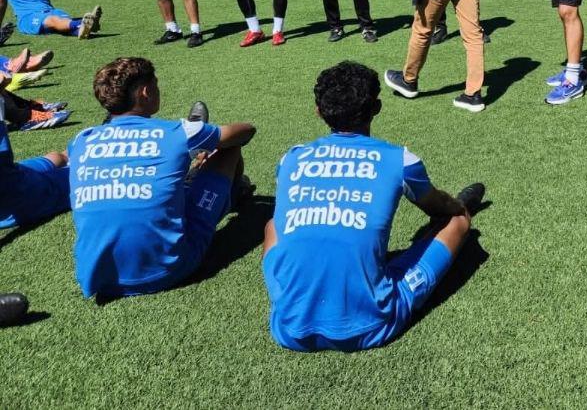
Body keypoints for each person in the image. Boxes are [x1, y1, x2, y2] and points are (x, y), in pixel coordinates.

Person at [263, 61, 481, 352]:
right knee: (458, 221)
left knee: (272, 226)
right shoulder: (400, 160)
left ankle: (296, 292)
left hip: (289, 328)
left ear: (318, 112)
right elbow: (439, 206)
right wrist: (457, 205)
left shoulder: (290, 158)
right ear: (376, 108)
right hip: (373, 324)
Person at [68, 57, 257, 299]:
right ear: (145, 92)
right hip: (167, 268)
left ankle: (190, 170)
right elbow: (244, 132)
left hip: (97, 276)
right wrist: (209, 137)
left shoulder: (82, 140)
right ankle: (230, 192)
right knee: (228, 149)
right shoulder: (177, 131)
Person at [0, 75, 70, 230]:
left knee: (58, 157)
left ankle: (72, 152)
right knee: (89, 176)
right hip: (16, 195)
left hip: (14, 175)